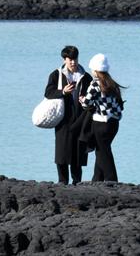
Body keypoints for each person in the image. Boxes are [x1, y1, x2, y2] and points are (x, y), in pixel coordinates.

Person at [44, 46, 93, 185]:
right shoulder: (56, 74)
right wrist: (63, 92)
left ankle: (77, 181)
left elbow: (92, 96)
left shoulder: (86, 76)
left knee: (78, 152)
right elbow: (48, 93)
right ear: (64, 59)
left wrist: (85, 100)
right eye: (70, 59)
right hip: (63, 118)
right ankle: (62, 181)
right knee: (62, 151)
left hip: (81, 118)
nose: (73, 62)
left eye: (75, 59)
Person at [80, 54, 124, 182]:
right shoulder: (112, 83)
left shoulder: (95, 84)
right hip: (114, 123)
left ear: (95, 70)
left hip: (101, 123)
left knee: (103, 151)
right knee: (102, 149)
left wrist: (82, 100)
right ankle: (97, 178)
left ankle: (111, 179)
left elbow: (87, 104)